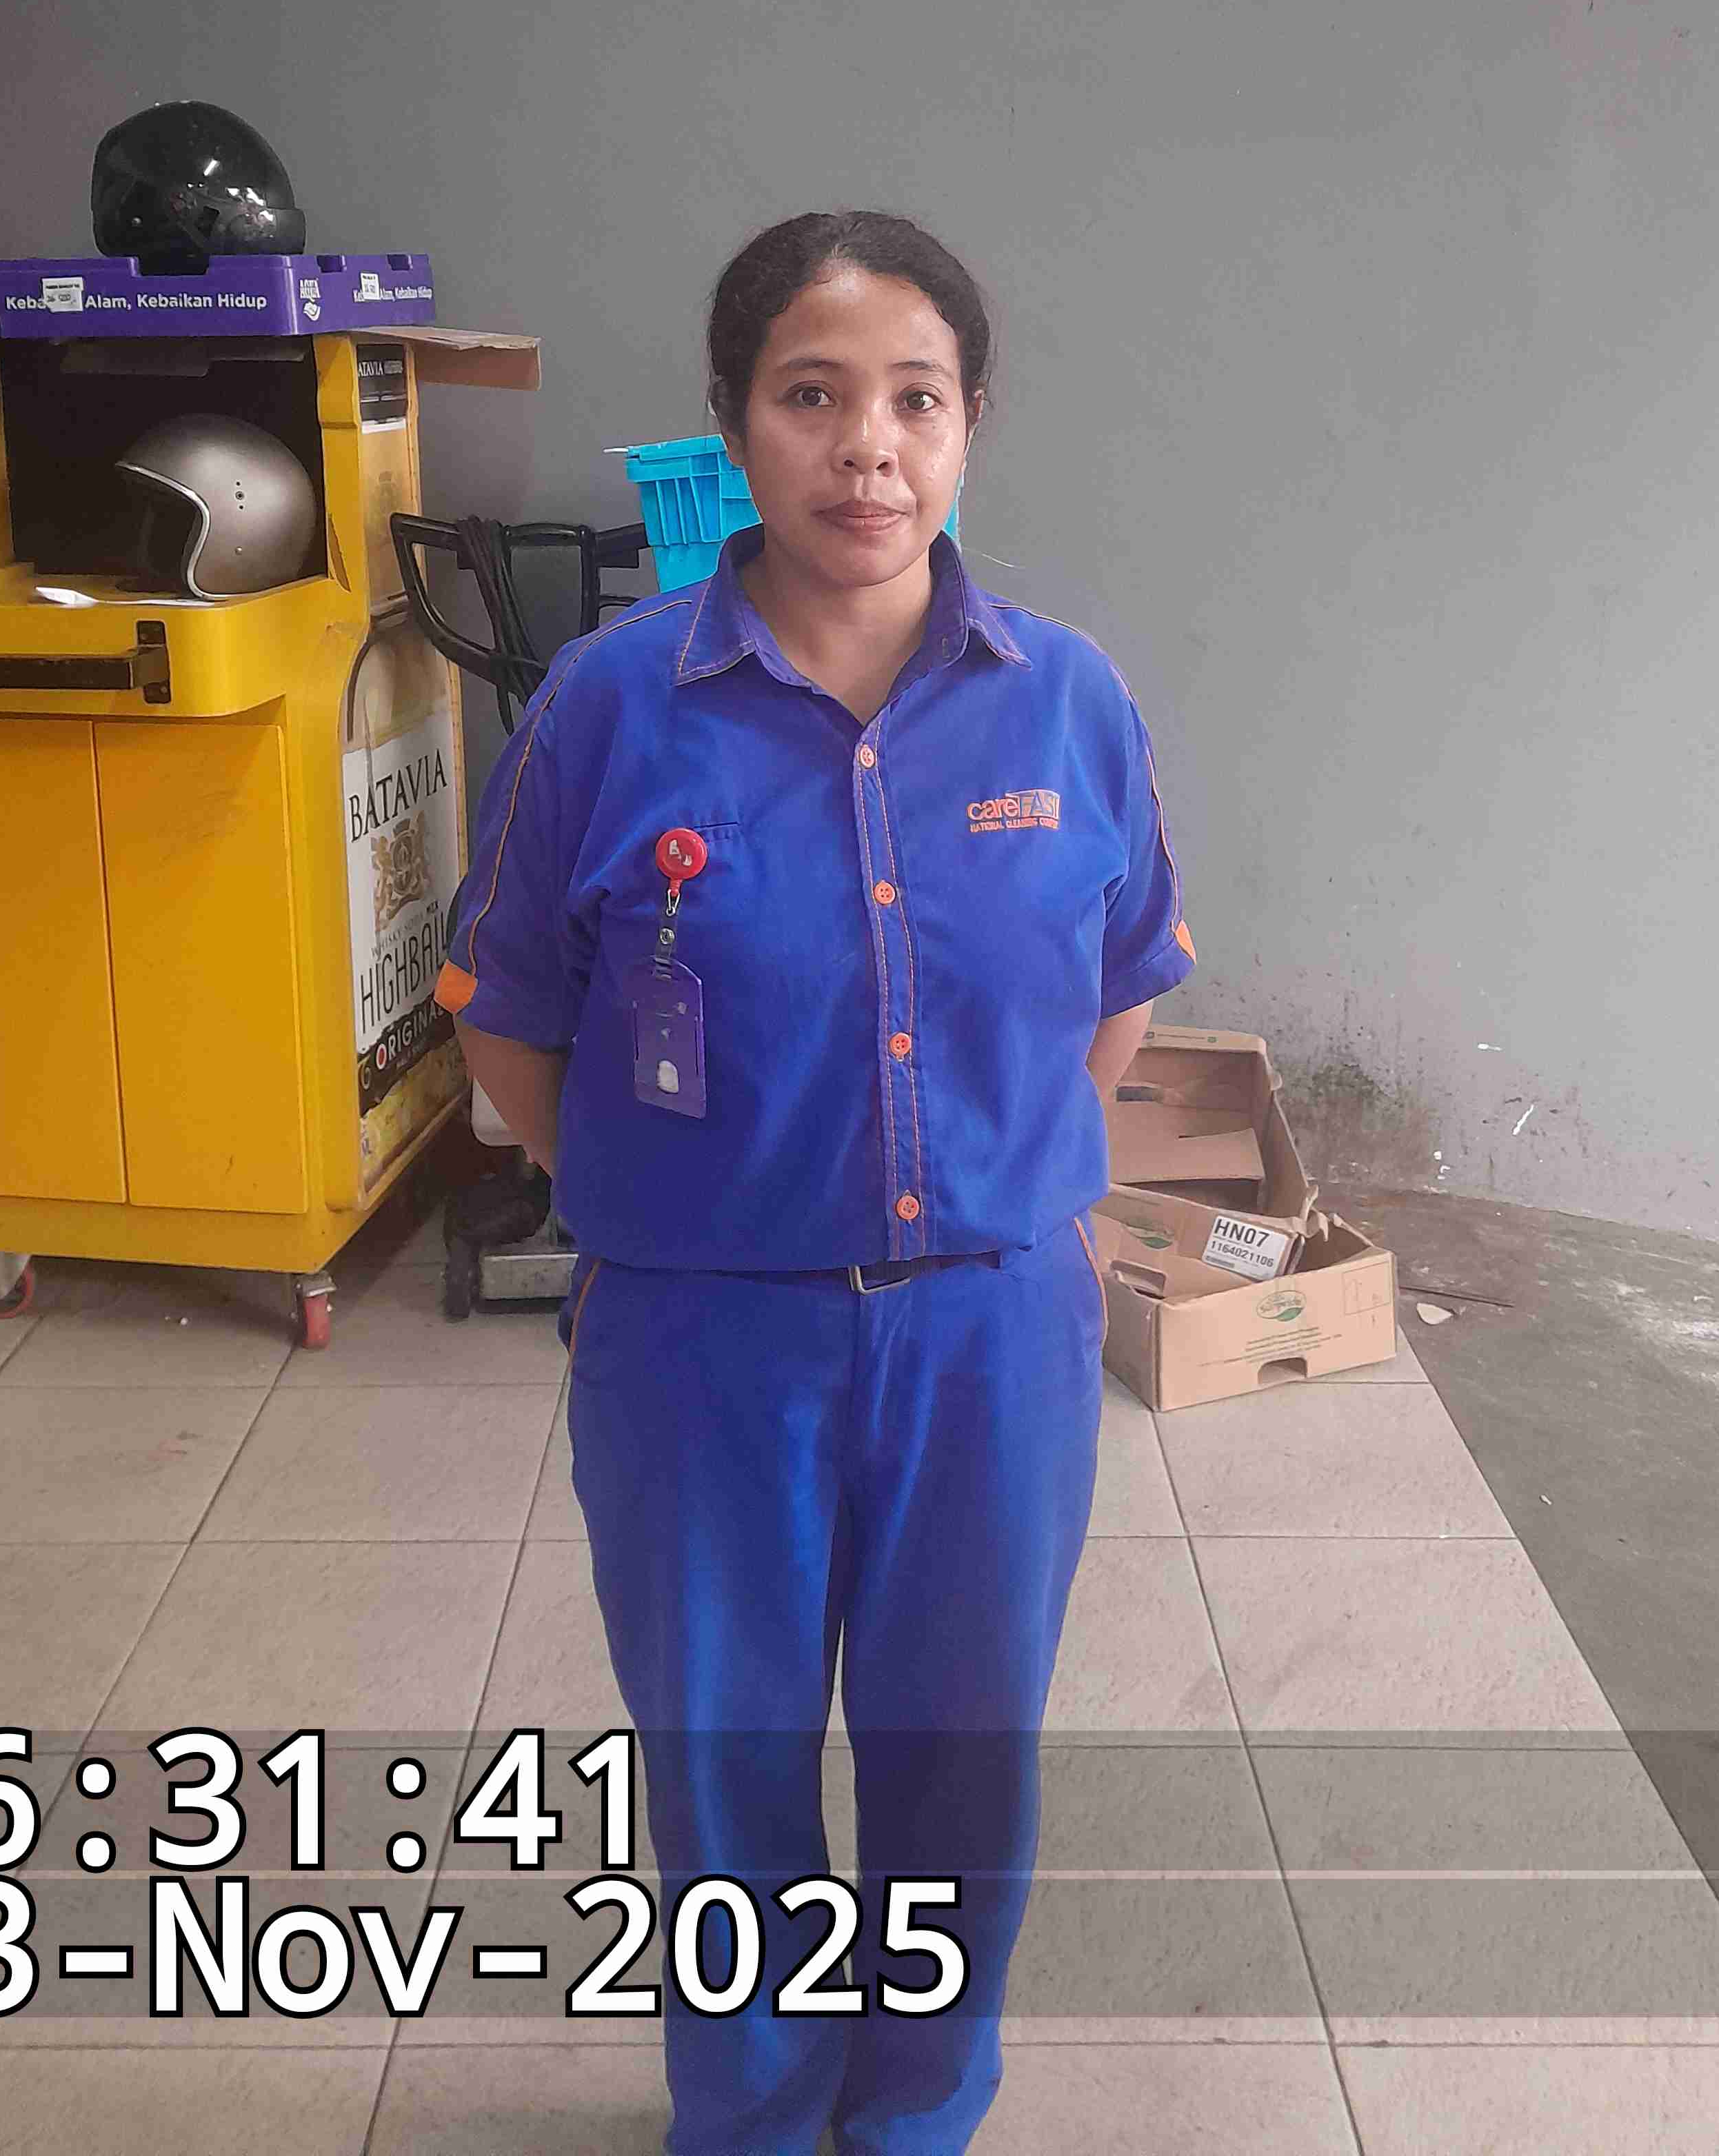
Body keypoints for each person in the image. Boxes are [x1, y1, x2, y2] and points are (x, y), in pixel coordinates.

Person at [433, 211, 1195, 2155]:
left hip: (991, 1346)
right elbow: (511, 1027)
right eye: (812, 395)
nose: (869, 447)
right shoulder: (608, 706)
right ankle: (757, 2122)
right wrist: (687, 1210)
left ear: (968, 426)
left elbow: (1111, 1000)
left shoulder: (1068, 701)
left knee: (962, 1775)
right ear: (734, 424)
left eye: (915, 399)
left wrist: (979, 1183)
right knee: (722, 1780)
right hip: (703, 1350)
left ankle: (915, 2116)